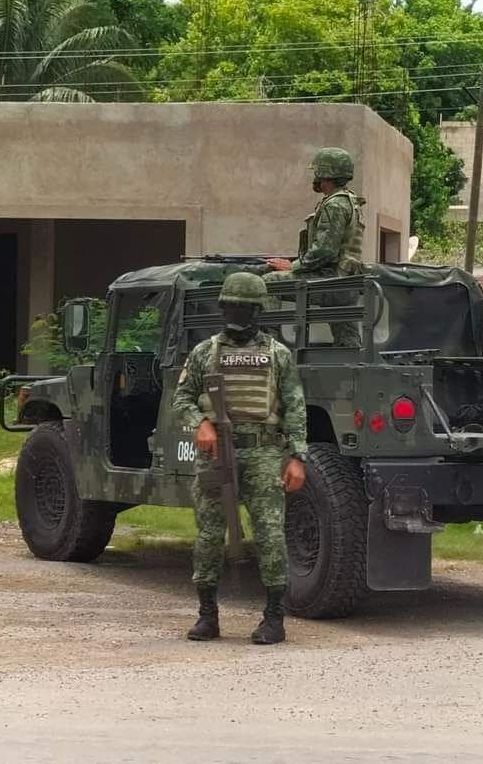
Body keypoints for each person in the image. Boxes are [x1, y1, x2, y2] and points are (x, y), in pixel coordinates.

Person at [172, 272, 308, 645]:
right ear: (222, 308)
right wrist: (200, 423)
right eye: (232, 306)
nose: (238, 313)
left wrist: (297, 457)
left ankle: (274, 618)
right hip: (217, 452)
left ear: (258, 311)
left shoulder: (278, 354)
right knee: (209, 535)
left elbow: (295, 408)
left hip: (263, 452)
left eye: (245, 308)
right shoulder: (204, 352)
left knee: (270, 534)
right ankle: (207, 615)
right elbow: (182, 398)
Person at [266, 147, 366, 348]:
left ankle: (268, 348)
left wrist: (293, 266)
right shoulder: (348, 201)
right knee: (347, 338)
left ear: (325, 174)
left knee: (268, 284)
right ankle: (351, 357)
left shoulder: (334, 205)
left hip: (331, 281)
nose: (315, 178)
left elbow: (325, 250)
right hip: (345, 281)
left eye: (317, 172)